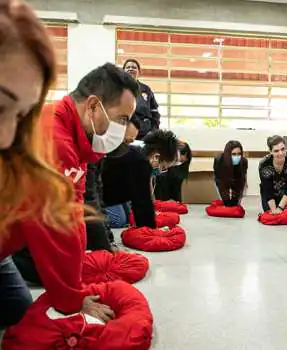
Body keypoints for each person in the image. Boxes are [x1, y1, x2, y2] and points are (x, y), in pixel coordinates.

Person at [1, 0, 128, 328]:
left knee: (17, 311)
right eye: (122, 119)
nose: (125, 130)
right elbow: (58, 225)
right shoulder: (56, 140)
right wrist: (73, 297)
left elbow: (76, 209)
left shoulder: (71, 133)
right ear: (94, 106)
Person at [101, 129, 179, 228]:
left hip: (109, 191)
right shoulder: (141, 162)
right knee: (118, 220)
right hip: (97, 195)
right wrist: (150, 231)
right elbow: (143, 204)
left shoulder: (137, 153)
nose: (160, 171)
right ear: (156, 156)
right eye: (162, 167)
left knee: (127, 217)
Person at [259, 135, 287, 213]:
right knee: (270, 213)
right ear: (270, 151)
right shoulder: (264, 164)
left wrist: (280, 208)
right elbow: (267, 188)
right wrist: (274, 210)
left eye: (283, 149)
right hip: (271, 195)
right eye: (276, 151)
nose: (280, 153)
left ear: (286, 148)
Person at [122, 58, 160, 139]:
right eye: (128, 67)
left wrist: (153, 131)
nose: (131, 69)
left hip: (145, 134)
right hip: (124, 133)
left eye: (134, 67)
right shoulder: (118, 89)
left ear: (139, 71)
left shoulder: (146, 89)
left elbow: (155, 113)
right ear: (123, 71)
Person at [214, 140, 248, 206]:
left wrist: (238, 197)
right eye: (233, 154)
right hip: (223, 180)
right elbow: (218, 180)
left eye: (239, 154)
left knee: (234, 203)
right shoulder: (219, 160)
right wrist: (225, 195)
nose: (237, 156)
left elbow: (242, 180)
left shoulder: (243, 161)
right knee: (227, 203)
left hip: (237, 180)